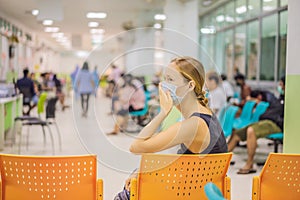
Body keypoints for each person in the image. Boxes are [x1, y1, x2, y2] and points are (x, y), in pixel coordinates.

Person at [114, 57, 228, 199]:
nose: (163, 85)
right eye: (165, 79)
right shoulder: (205, 113)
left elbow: (136, 146)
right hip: (197, 190)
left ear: (190, 85)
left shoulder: (193, 125)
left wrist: (163, 113)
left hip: (185, 193)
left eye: (170, 80)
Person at [227, 76, 285, 174]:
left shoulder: (290, 101)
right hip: (264, 122)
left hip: (274, 124)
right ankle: (219, 161)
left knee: (251, 131)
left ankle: (250, 164)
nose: (279, 86)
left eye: (281, 84)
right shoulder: (279, 99)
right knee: (236, 134)